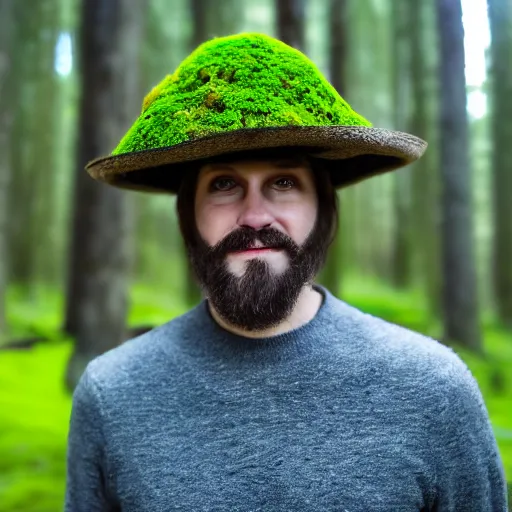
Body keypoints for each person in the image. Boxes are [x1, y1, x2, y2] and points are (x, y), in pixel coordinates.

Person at [65, 33, 508, 511]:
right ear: (188, 215)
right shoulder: (114, 394)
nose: (255, 216)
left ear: (324, 209)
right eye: (224, 184)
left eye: (283, 182)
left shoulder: (433, 389)